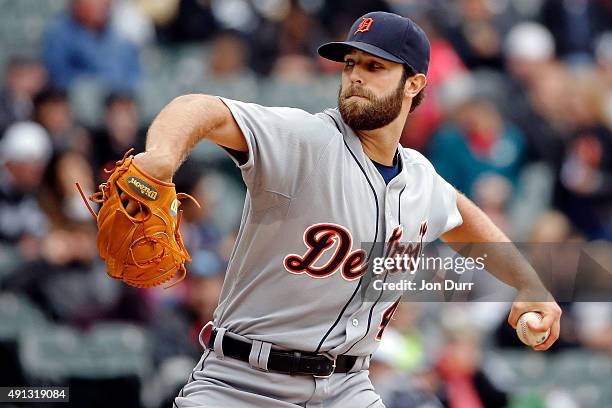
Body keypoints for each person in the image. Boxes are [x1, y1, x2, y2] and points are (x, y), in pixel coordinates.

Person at [122, 12, 561, 407]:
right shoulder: (305, 139)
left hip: (347, 388)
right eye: (350, 63)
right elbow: (198, 108)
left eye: (374, 67)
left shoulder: (421, 178)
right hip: (242, 383)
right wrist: (161, 157)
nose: (355, 77)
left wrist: (529, 283)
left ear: (414, 84)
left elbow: (464, 220)